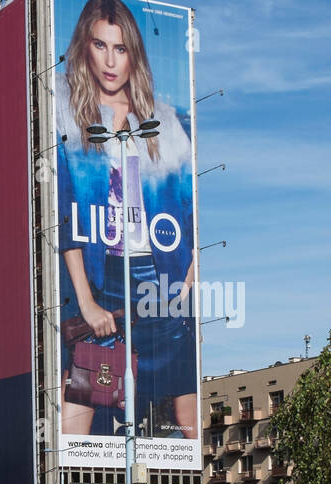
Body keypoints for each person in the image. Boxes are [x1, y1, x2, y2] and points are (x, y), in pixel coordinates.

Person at [56, 0, 196, 439]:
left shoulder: (166, 123)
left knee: (184, 404)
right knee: (78, 409)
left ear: (134, 52)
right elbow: (65, 215)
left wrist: (188, 284)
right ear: (85, 47)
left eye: (121, 48)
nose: (111, 60)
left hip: (159, 274)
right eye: (101, 45)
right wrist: (85, 301)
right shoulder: (64, 112)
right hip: (103, 273)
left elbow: (191, 213)